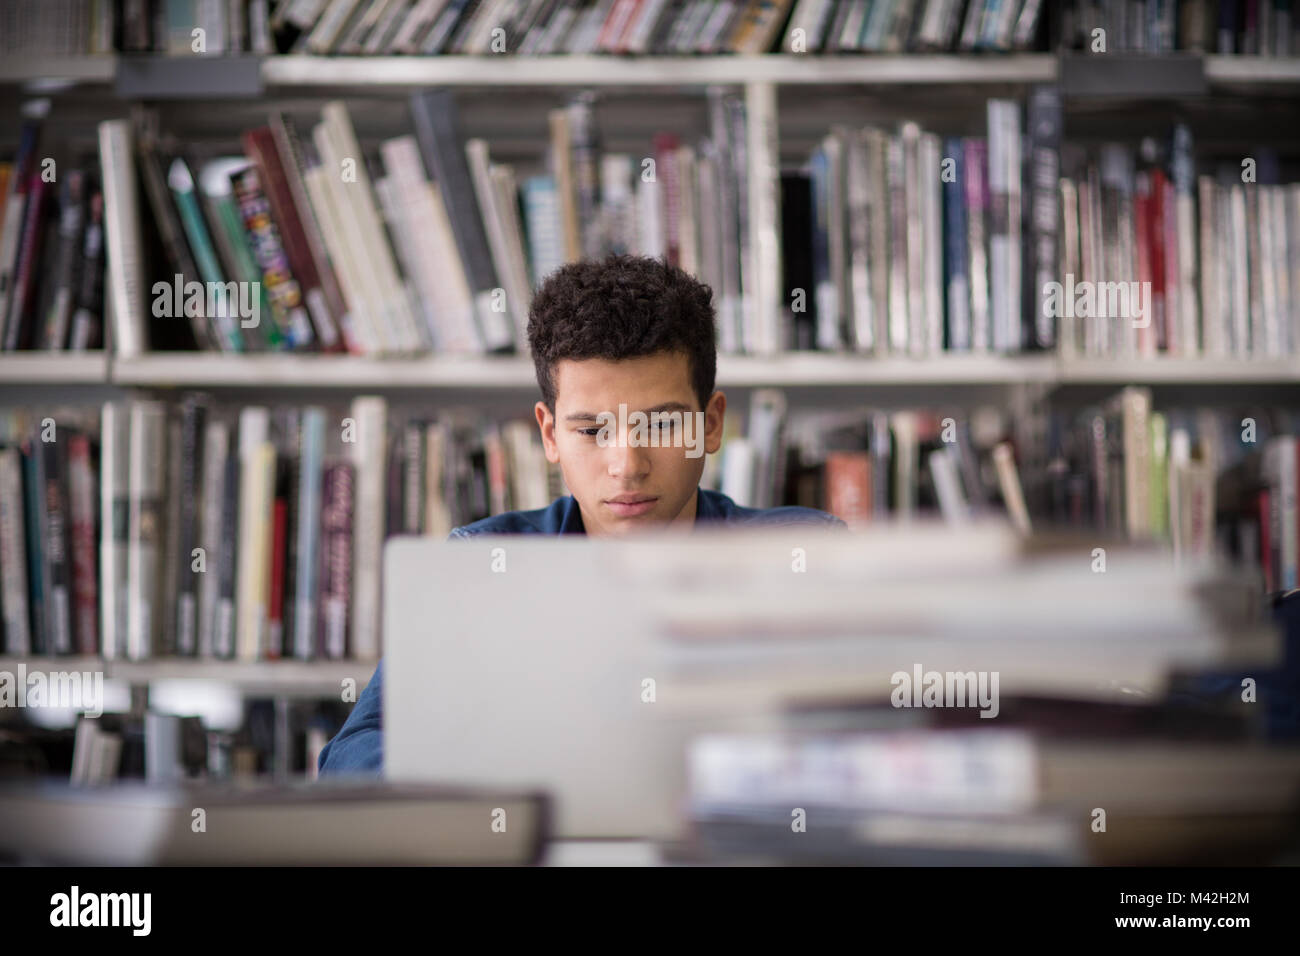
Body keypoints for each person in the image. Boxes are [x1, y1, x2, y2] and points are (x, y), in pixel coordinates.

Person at [318, 254, 844, 774]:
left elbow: (881, 743)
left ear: (711, 425)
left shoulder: (803, 554)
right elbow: (349, 758)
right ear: (550, 434)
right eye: (592, 431)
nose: (626, 466)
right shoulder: (485, 565)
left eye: (660, 427)